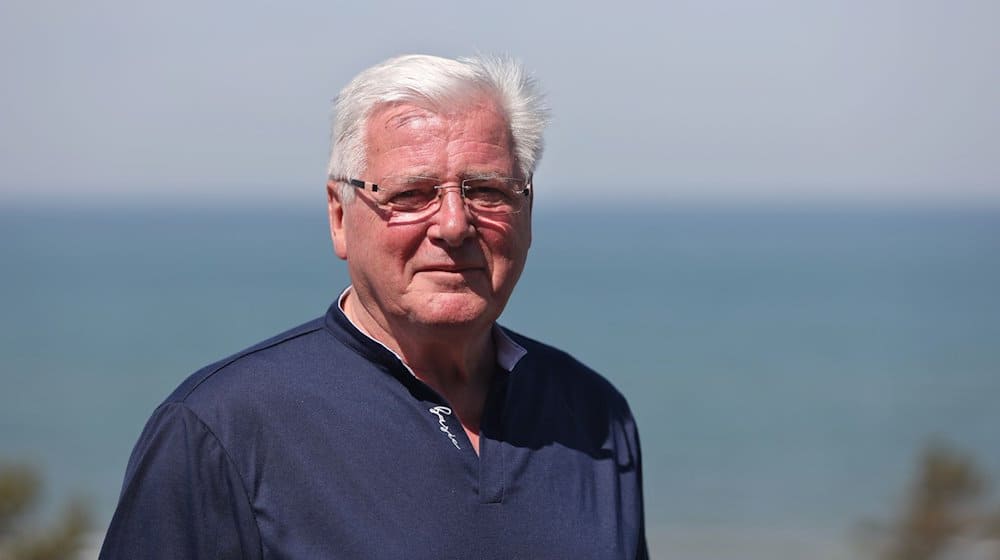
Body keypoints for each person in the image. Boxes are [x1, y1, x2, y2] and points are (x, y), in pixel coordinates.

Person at [99, 54, 648, 559]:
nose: (454, 225)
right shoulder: (222, 429)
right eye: (411, 195)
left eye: (487, 191)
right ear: (340, 216)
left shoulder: (594, 415)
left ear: (527, 210)